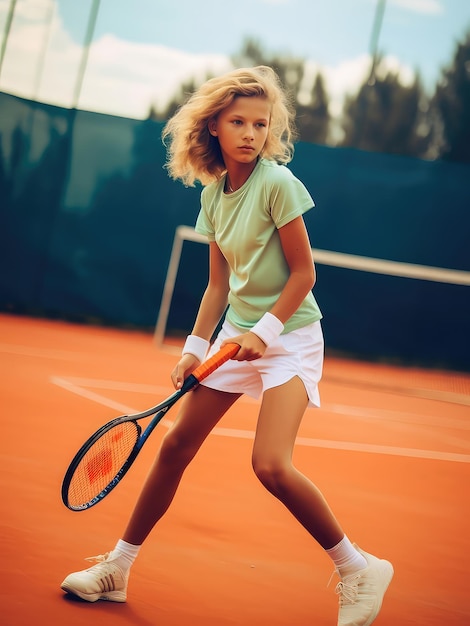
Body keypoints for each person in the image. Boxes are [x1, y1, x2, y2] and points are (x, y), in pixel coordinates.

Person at [61, 65, 393, 625]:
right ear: (213, 126)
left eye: (260, 124)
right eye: (237, 121)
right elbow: (218, 283)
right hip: (236, 335)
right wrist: (195, 346)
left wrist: (263, 335)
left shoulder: (279, 184)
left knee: (270, 465)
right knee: (173, 447)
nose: (250, 133)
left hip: (289, 336)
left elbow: (304, 275)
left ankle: (359, 568)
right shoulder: (214, 196)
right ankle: (117, 568)